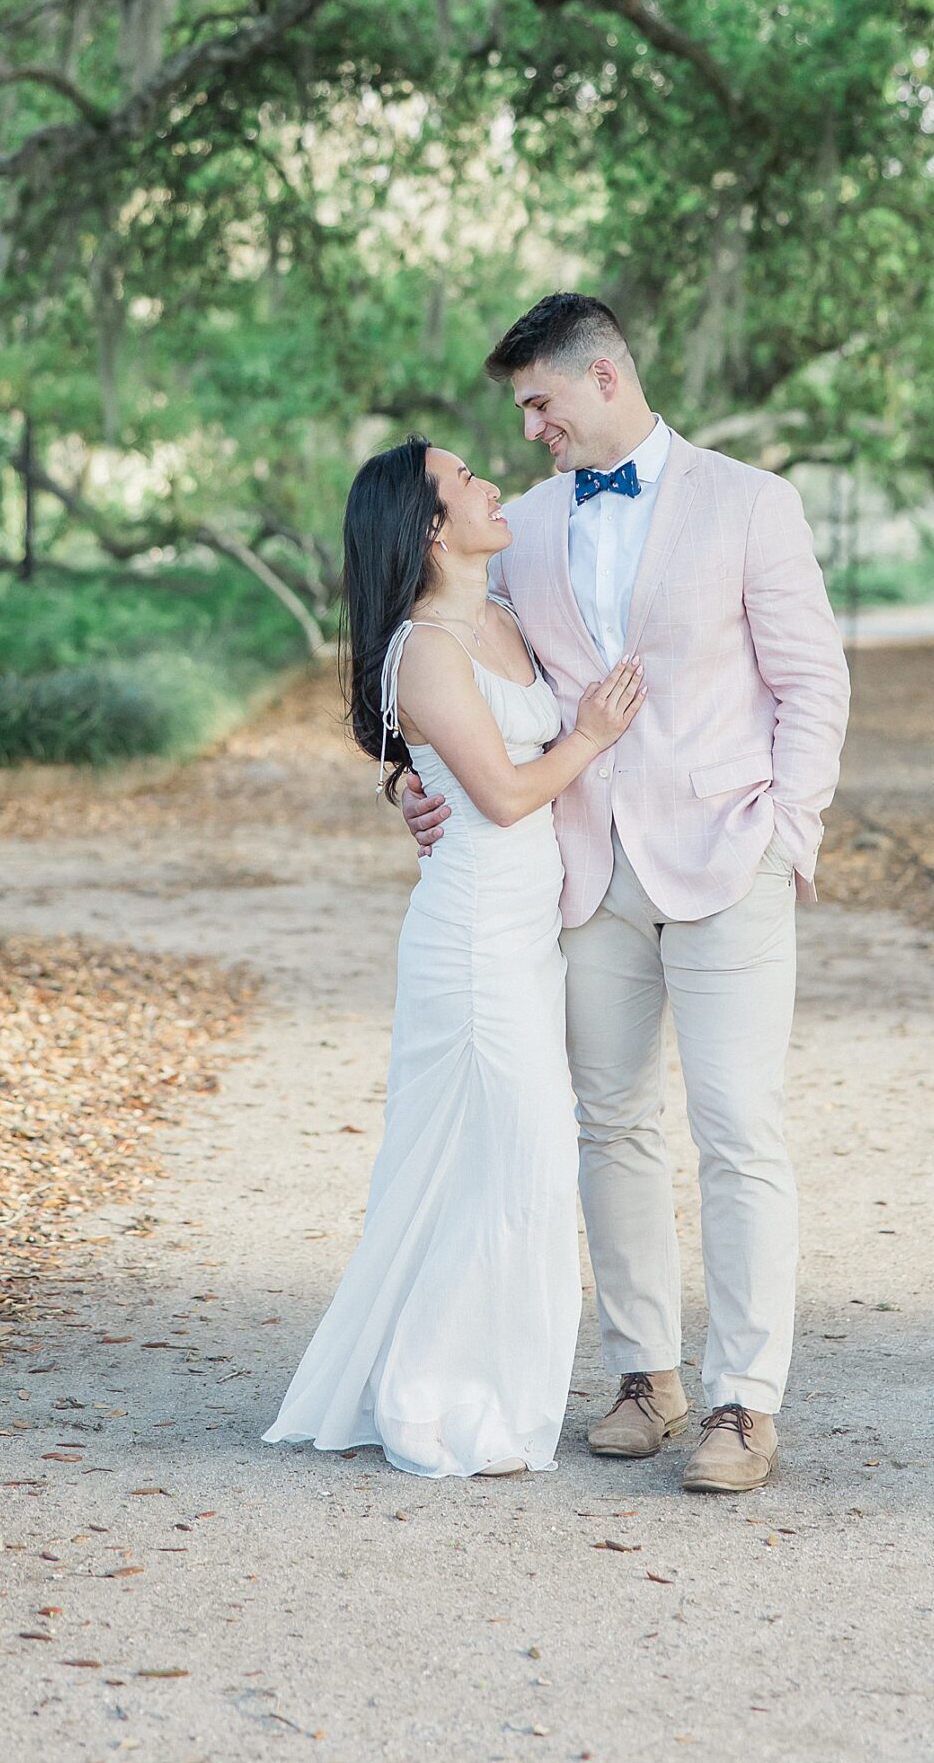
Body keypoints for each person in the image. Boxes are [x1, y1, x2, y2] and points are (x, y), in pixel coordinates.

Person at [401, 294, 850, 1494]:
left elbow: (813, 680)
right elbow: (446, 664)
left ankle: (744, 1404)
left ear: (603, 377)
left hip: (726, 854)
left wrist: (787, 831)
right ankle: (645, 1375)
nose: (531, 429)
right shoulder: (527, 529)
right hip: (585, 869)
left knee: (740, 1125)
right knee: (611, 1125)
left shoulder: (752, 502)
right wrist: (411, 776)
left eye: (540, 403)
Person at [264, 435, 645, 1480]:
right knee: (519, 1163)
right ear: (431, 528)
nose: (490, 482)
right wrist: (595, 733)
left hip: (529, 937)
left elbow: (443, 766)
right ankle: (439, 1393)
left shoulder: (504, 611)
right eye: (467, 478)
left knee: (481, 1167)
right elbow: (510, 793)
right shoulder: (427, 648)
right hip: (474, 941)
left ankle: (460, 1377)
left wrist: (404, 787)